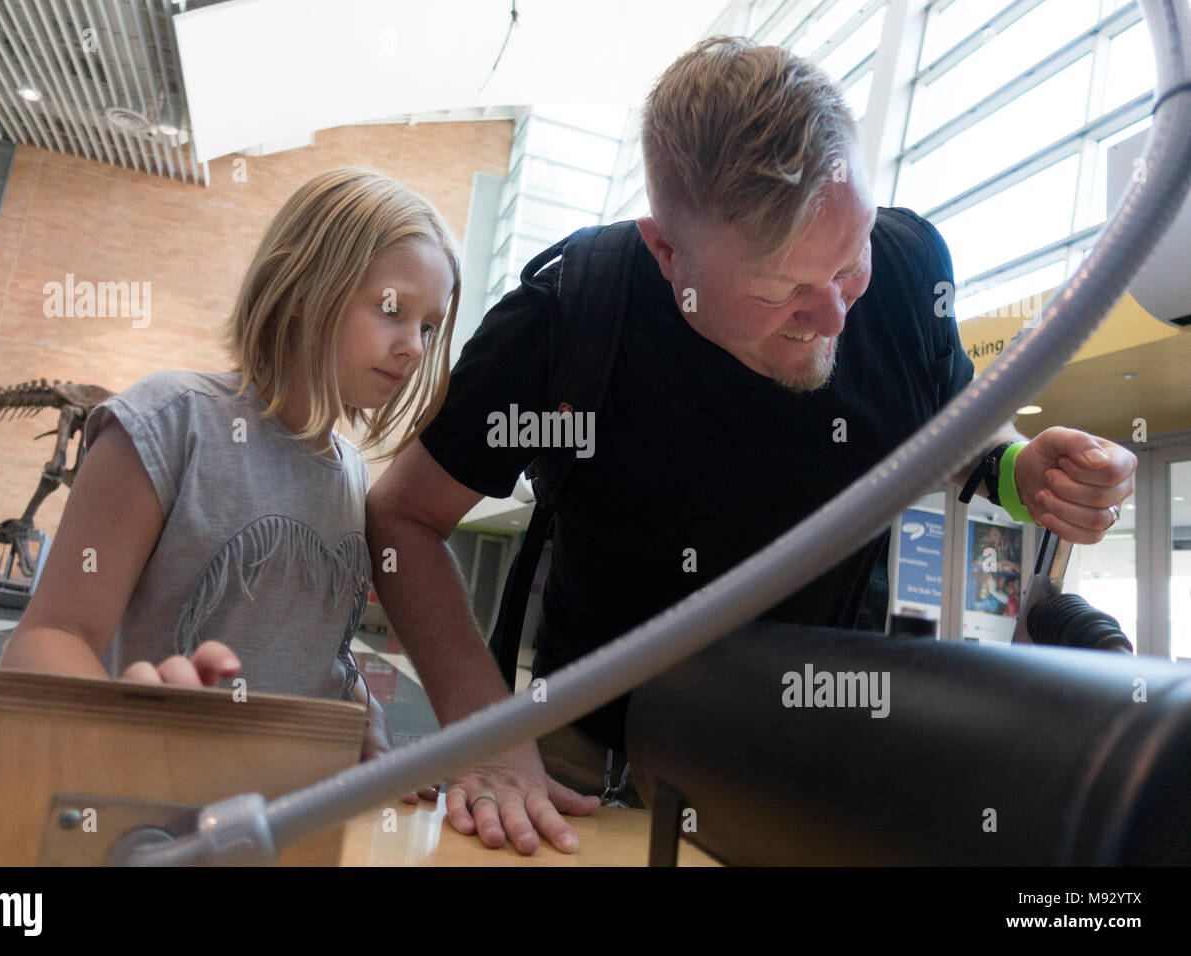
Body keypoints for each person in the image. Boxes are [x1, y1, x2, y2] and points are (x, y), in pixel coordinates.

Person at [367, 37, 1137, 855]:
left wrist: (1022, 471)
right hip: (591, 759)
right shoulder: (568, 316)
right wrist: (486, 738)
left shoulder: (911, 271)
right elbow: (405, 515)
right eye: (784, 291)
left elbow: (955, 429)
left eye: (851, 260)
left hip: (818, 748)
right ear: (668, 254)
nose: (837, 317)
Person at [1, 168, 459, 801]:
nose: (413, 346)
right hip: (152, 813)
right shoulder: (171, 422)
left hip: (288, 819)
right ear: (301, 288)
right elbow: (49, 637)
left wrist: (361, 714)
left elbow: (309, 641)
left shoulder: (355, 477)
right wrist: (120, 735)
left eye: (430, 327)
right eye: (391, 310)